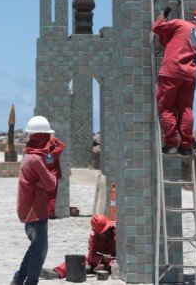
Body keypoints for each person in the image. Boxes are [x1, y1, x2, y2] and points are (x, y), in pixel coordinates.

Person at [152, 7, 196, 155]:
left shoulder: (180, 23)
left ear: (194, 17)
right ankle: (185, 146)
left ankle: (171, 144)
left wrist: (161, 17)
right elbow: (175, 43)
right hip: (190, 75)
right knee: (186, 109)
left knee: (167, 107)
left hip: (171, 71)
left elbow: (157, 28)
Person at [11, 116, 59, 285]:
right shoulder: (37, 159)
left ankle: (18, 279)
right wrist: (51, 174)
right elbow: (51, 184)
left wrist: (43, 182)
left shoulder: (28, 155)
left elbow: (45, 183)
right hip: (36, 214)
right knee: (40, 252)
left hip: (28, 212)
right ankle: (30, 282)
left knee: (34, 248)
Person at [40, 214, 117, 280]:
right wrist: (102, 259)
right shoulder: (94, 237)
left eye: (106, 230)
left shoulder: (117, 231)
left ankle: (98, 269)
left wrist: (110, 262)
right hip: (99, 261)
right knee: (79, 261)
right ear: (97, 232)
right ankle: (57, 273)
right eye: (103, 233)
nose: (106, 233)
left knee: (113, 266)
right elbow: (91, 256)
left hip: (115, 261)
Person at [46, 135, 64, 219]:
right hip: (54, 176)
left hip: (44, 175)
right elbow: (62, 145)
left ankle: (44, 212)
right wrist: (55, 138)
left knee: (44, 195)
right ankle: (50, 213)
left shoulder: (43, 152)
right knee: (52, 196)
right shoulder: (55, 152)